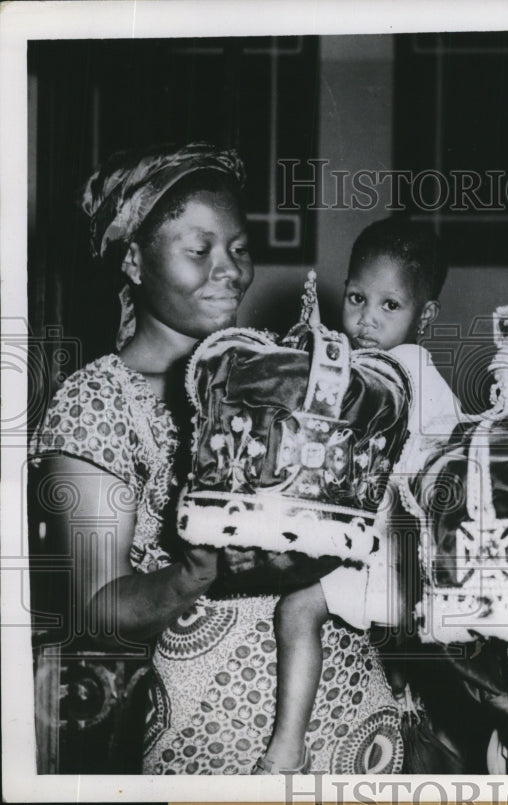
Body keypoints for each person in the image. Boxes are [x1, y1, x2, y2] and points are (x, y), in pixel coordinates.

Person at [29, 143, 402, 775]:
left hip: (352, 708)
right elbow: (97, 609)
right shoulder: (95, 403)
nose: (229, 270)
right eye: (199, 251)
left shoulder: (275, 373)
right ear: (133, 260)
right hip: (216, 731)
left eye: (239, 248)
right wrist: (193, 574)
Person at [256, 217, 460, 773]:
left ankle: (286, 747)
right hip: (396, 555)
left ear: (426, 315)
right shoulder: (389, 367)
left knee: (297, 610)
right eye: (356, 298)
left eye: (390, 306)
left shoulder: (398, 371)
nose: (366, 319)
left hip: (392, 554)